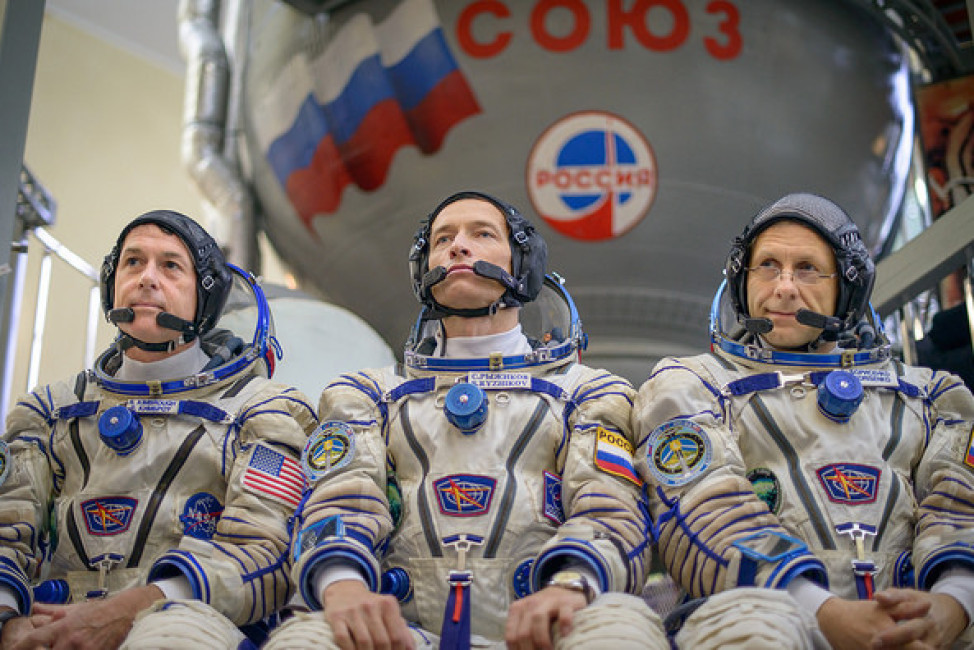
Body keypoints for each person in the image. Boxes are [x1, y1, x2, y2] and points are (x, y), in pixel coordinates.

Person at [264, 191, 666, 649]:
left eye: (482, 234)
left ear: (522, 264)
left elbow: (609, 510)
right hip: (400, 632)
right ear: (424, 269)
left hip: (546, 628)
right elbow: (341, 503)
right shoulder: (368, 396)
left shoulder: (587, 393)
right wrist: (343, 586)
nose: (457, 246)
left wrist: (570, 586)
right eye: (443, 239)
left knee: (620, 632)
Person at [633, 192, 974, 649]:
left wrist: (952, 604)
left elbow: (961, 508)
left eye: (808, 268)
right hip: (767, 623)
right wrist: (824, 613)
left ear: (847, 289)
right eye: (768, 266)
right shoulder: (691, 386)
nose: (784, 287)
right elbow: (704, 511)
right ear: (742, 280)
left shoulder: (933, 397)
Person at [0, 210, 317, 649]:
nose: (147, 278)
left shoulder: (264, 410)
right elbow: (6, 534)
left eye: (170, 266)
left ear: (205, 298)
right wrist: (7, 618)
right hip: (52, 623)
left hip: (192, 621)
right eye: (133, 262)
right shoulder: (50, 411)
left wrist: (132, 608)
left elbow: (262, 556)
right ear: (112, 281)